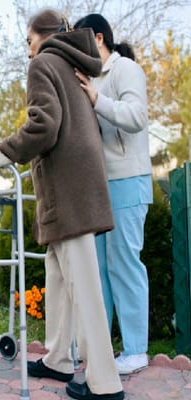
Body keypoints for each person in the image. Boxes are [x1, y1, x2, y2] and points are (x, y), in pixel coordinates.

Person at [0, 9, 123, 400]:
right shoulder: (73, 64)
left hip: (68, 190)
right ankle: (59, 358)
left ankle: (105, 384)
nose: (28, 52)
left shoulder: (44, 62)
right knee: (59, 275)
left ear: (42, 35)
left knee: (85, 285)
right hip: (78, 186)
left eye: (28, 41)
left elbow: (44, 125)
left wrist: (2, 153)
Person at [73, 13, 152, 375]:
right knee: (100, 271)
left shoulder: (126, 70)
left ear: (99, 39)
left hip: (128, 180)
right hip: (100, 187)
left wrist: (95, 99)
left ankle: (136, 351)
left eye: (80, 39)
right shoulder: (89, 77)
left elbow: (137, 116)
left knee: (124, 266)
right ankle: (101, 349)